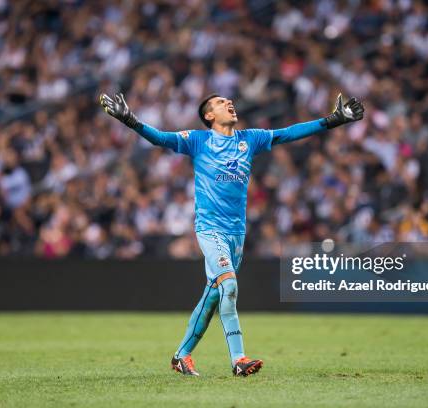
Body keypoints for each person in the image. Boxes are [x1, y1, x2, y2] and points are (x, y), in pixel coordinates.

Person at [99, 90, 364, 376]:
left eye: (228, 100)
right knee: (230, 286)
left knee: (212, 297)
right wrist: (129, 119)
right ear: (209, 116)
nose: (228, 103)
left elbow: (289, 133)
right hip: (209, 229)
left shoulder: (249, 139)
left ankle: (181, 355)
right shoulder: (199, 141)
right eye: (220, 103)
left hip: (236, 233)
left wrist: (333, 120)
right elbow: (160, 137)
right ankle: (238, 360)